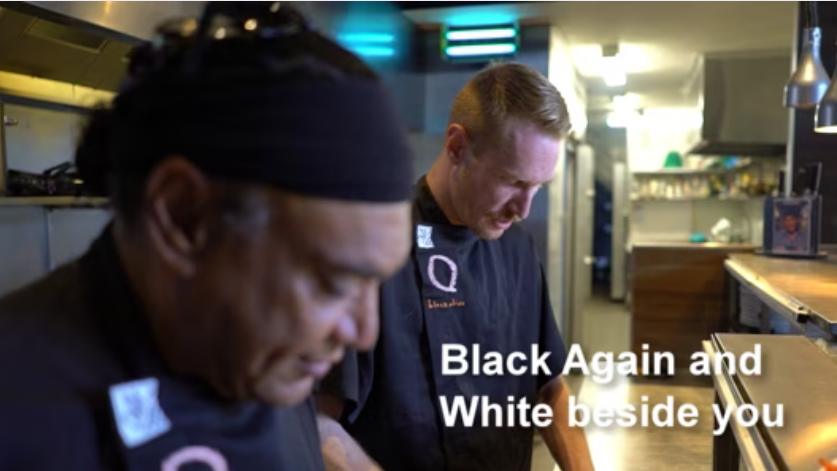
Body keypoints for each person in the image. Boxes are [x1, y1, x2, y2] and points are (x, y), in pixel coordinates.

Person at [0, 3, 414, 470]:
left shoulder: (265, 356)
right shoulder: (17, 409)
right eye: (333, 281)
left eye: (375, 282)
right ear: (183, 217)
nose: (364, 333)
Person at [317, 63, 595, 471]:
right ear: (457, 146)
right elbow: (319, 421)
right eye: (513, 181)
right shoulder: (371, 250)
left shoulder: (519, 249)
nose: (523, 209)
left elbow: (551, 388)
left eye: (538, 187)